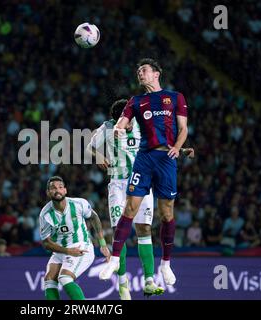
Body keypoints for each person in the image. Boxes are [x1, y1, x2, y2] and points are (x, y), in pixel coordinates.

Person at [88, 99, 194, 298]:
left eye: (126, 122)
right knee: (119, 230)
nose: (124, 126)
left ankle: (149, 281)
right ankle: (122, 284)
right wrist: (98, 156)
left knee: (144, 228)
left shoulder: (143, 126)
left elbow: (163, 145)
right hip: (118, 185)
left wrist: (183, 150)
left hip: (141, 181)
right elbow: (89, 147)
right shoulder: (107, 127)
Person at [99, 58, 189, 287]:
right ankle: (115, 257)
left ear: (156, 74)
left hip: (166, 158)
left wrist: (178, 148)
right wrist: (119, 130)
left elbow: (183, 128)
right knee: (130, 208)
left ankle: (166, 263)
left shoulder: (175, 98)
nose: (140, 73)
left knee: (166, 213)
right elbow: (121, 122)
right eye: (138, 71)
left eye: (144, 70)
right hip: (144, 158)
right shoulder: (136, 101)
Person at [39, 176, 110, 300]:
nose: (57, 190)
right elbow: (46, 243)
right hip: (61, 250)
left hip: (81, 246)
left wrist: (102, 243)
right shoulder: (45, 215)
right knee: (49, 280)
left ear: (65, 190)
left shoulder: (79, 204)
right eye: (53, 188)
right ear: (48, 192)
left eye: (60, 187)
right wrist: (67, 251)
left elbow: (94, 217)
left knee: (64, 277)